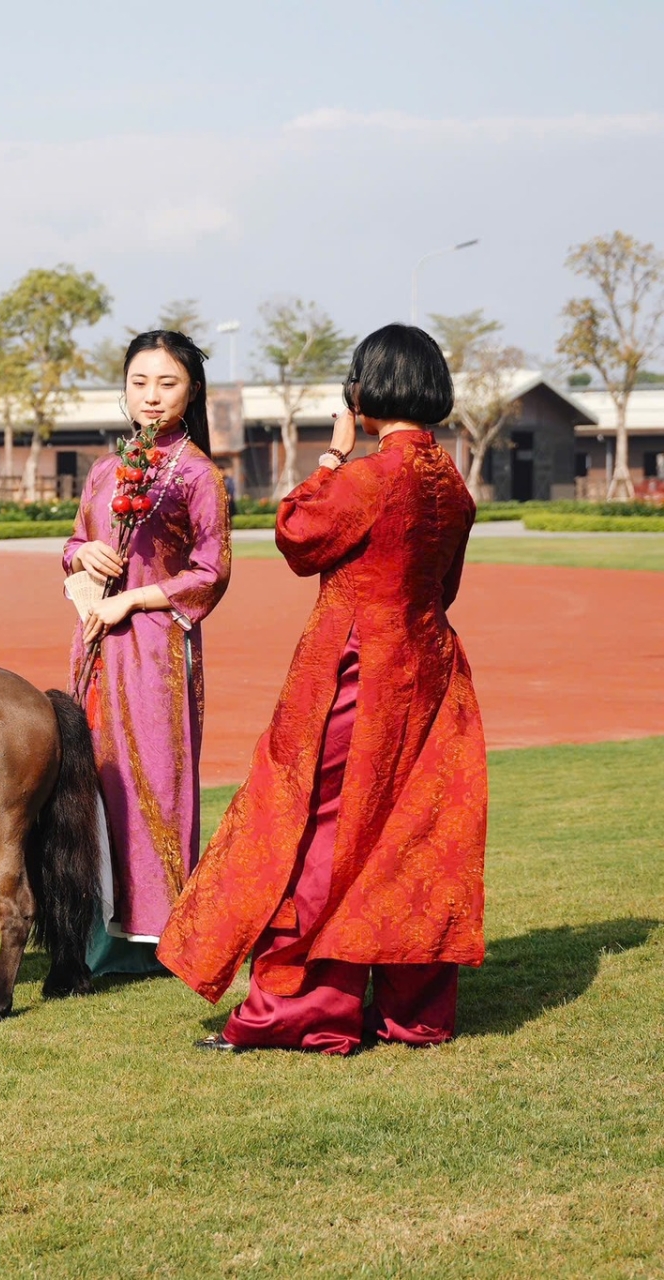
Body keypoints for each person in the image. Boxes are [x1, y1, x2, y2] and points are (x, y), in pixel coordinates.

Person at [160, 323, 487, 1054]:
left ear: (364, 391)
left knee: (314, 835)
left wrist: (335, 450)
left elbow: (297, 533)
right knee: (410, 838)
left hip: (354, 680)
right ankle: (413, 1012)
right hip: (431, 674)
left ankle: (305, 1010)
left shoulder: (368, 479)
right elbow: (447, 586)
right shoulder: (452, 484)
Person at [63, 331, 232, 976]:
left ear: (191, 394)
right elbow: (75, 541)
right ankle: (93, 924)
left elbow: (211, 572)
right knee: (89, 777)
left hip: (157, 651)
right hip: (94, 642)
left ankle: (160, 935)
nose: (152, 396)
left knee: (154, 780)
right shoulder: (106, 471)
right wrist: (84, 555)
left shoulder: (197, 474)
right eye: (140, 382)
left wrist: (133, 601)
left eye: (168, 383)